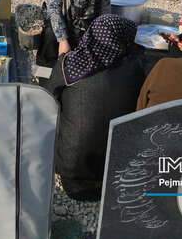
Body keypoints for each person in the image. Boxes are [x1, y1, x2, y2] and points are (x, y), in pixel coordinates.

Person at [44, 15, 145, 201]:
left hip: (69, 165)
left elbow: (47, 101)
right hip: (117, 165)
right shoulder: (137, 67)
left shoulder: (69, 65)